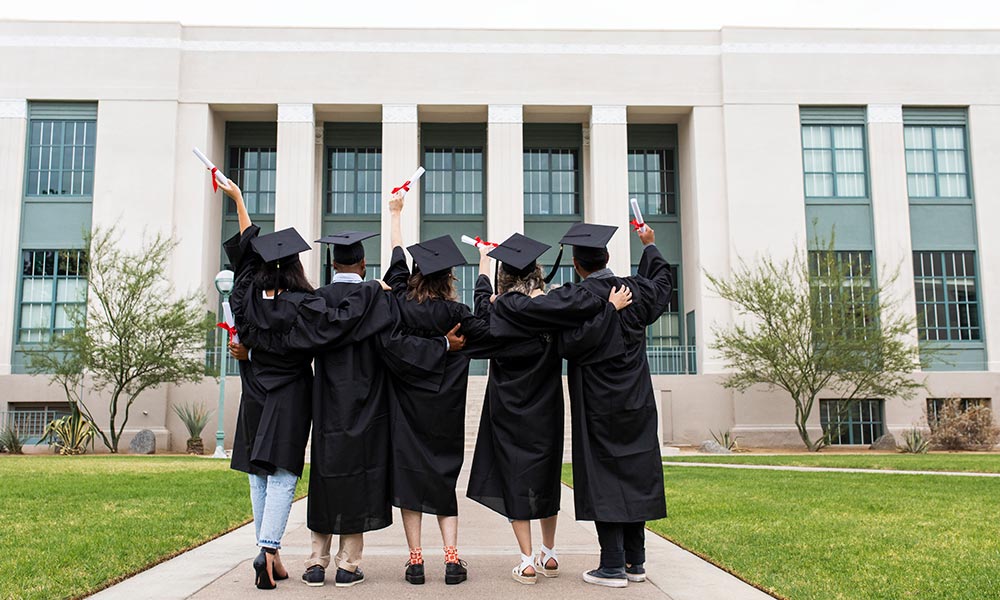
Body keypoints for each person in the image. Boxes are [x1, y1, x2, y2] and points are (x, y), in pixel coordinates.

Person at [488, 222, 673, 589]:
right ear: (607, 257)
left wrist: (502, 301)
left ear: (576, 264)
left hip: (599, 401)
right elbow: (663, 284)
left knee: (606, 477)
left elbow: (549, 327)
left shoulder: (578, 297)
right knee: (634, 472)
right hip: (636, 398)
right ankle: (637, 562)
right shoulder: (634, 289)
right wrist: (649, 247)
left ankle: (613, 565)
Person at [295, 232, 464, 589]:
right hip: (368, 403)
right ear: (361, 265)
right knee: (360, 475)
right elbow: (395, 347)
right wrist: (440, 345)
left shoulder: (317, 302)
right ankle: (348, 565)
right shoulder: (376, 299)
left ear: (332, 265)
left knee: (326, 476)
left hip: (327, 402)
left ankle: (315, 562)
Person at [467, 234, 632, 585]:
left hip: (508, 406)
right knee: (544, 475)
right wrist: (609, 308)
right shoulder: (552, 310)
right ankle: (550, 552)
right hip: (545, 406)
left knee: (514, 477)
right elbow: (582, 311)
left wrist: (484, 263)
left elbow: (481, 305)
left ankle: (527, 561)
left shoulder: (498, 310)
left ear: (505, 280)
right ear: (537, 277)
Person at [383, 190, 494, 586]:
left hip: (405, 410)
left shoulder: (397, 302)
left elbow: (395, 259)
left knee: (410, 480)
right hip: (445, 412)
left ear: (414, 275)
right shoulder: (456, 314)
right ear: (449, 277)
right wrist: (484, 267)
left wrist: (395, 214)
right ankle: (451, 559)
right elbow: (491, 328)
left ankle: (415, 561)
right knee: (443, 480)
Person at [218, 179, 318, 590]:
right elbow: (310, 344)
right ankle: (269, 547)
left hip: (256, 392)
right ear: (295, 266)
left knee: (258, 473)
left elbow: (244, 256)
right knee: (283, 474)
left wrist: (239, 199)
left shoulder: (244, 299)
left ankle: (267, 554)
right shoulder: (306, 305)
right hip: (292, 393)